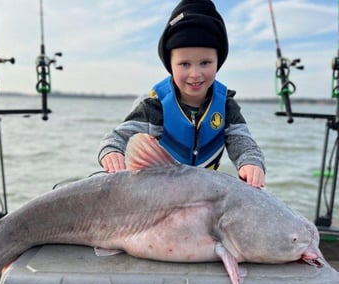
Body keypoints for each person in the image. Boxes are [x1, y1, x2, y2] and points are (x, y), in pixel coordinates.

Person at [98, 0, 265, 188]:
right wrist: (111, 151)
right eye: (185, 64)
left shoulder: (226, 105)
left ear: (218, 61)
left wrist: (251, 162)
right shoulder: (155, 106)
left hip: (203, 193)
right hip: (159, 189)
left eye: (205, 63)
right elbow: (118, 137)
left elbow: (242, 141)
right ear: (170, 64)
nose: (195, 74)